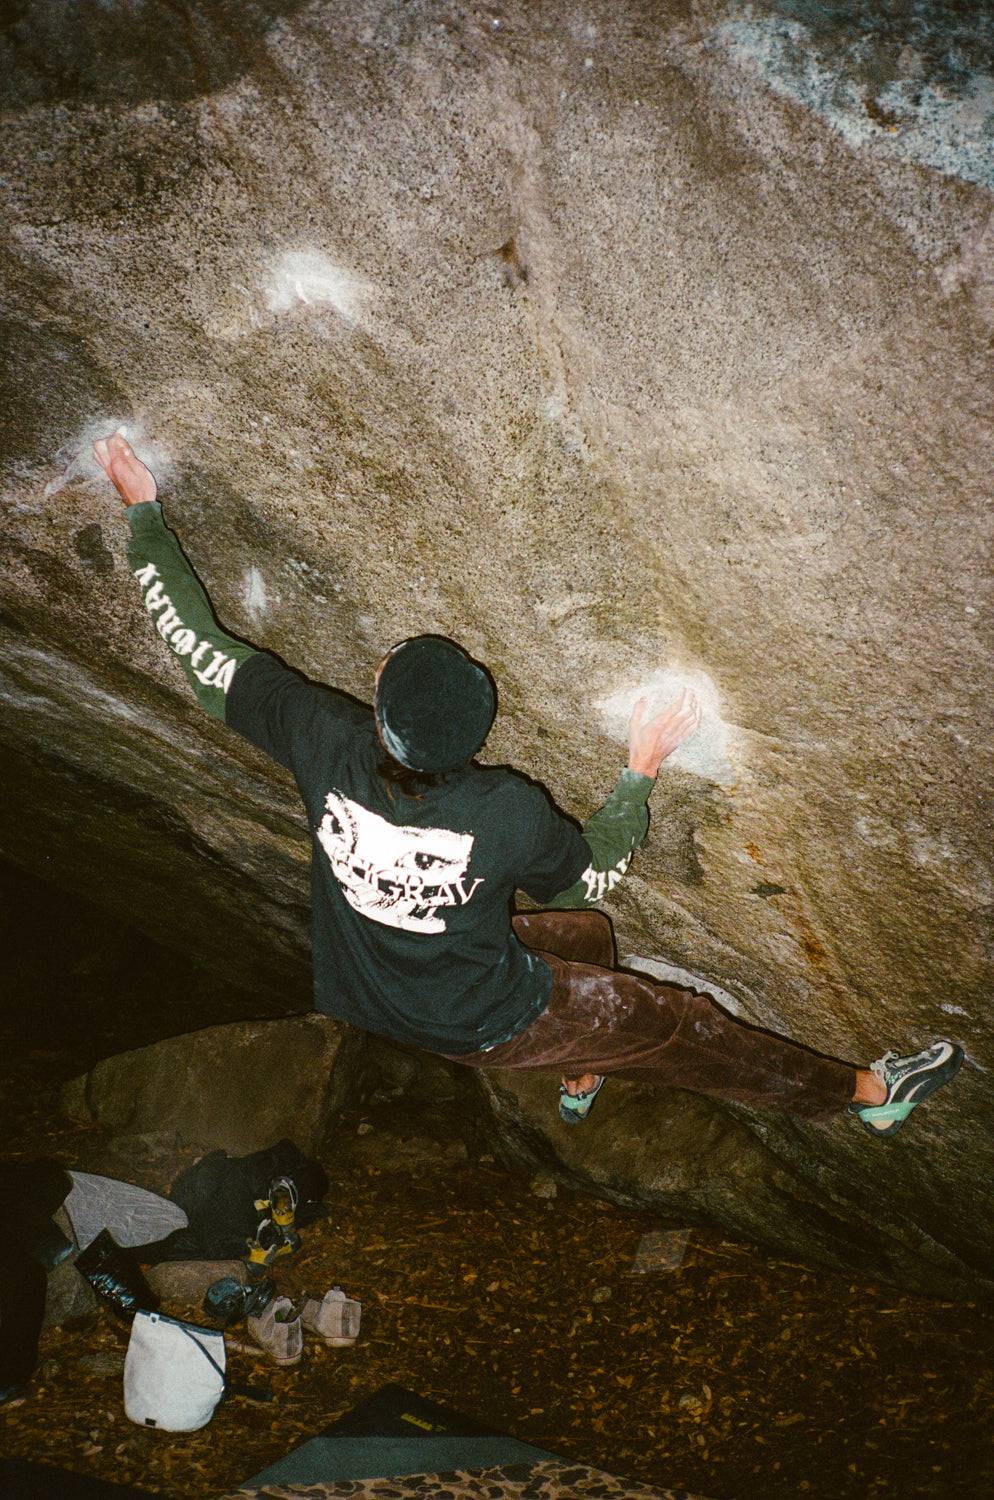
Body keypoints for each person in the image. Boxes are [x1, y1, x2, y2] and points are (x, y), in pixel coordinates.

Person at [92, 431, 963, 1138]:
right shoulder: (501, 810)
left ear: (378, 704)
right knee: (683, 1026)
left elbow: (200, 656)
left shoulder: (323, 738)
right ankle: (866, 1094)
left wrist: (144, 513)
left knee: (582, 936)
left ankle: (580, 1068)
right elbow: (594, 866)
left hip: (374, 994)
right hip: (490, 1017)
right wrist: (640, 771)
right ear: (474, 741)